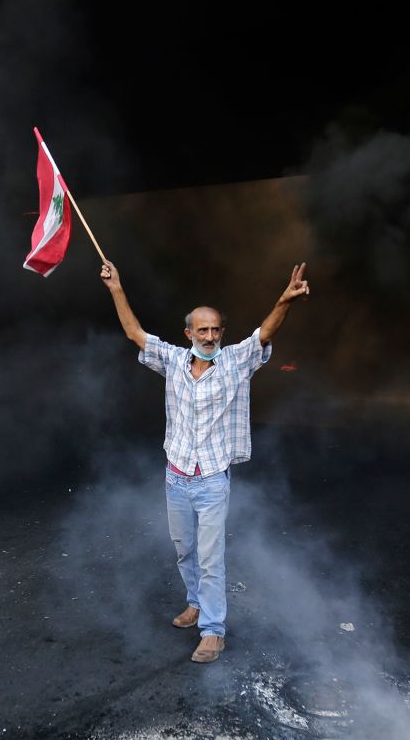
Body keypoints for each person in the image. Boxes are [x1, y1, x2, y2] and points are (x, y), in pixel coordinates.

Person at [101, 259, 310, 663]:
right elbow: (133, 332)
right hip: (176, 476)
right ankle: (195, 602)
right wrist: (116, 289)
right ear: (189, 333)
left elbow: (265, 332)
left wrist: (284, 300)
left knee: (211, 557)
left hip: (212, 479)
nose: (210, 336)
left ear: (221, 333)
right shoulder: (174, 361)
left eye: (216, 329)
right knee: (184, 549)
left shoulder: (235, 361)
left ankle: (213, 630)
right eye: (203, 330)